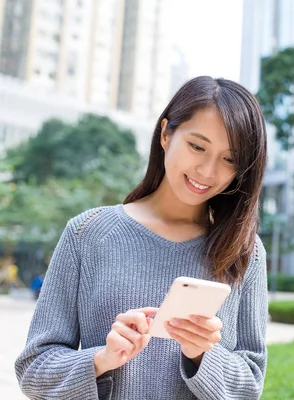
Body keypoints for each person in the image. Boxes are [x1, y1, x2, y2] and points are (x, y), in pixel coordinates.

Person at [14, 76, 269, 400]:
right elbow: (34, 370)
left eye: (229, 159)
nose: (207, 170)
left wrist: (202, 355)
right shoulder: (87, 233)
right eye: (197, 146)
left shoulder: (245, 251)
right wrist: (101, 359)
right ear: (165, 134)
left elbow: (251, 386)